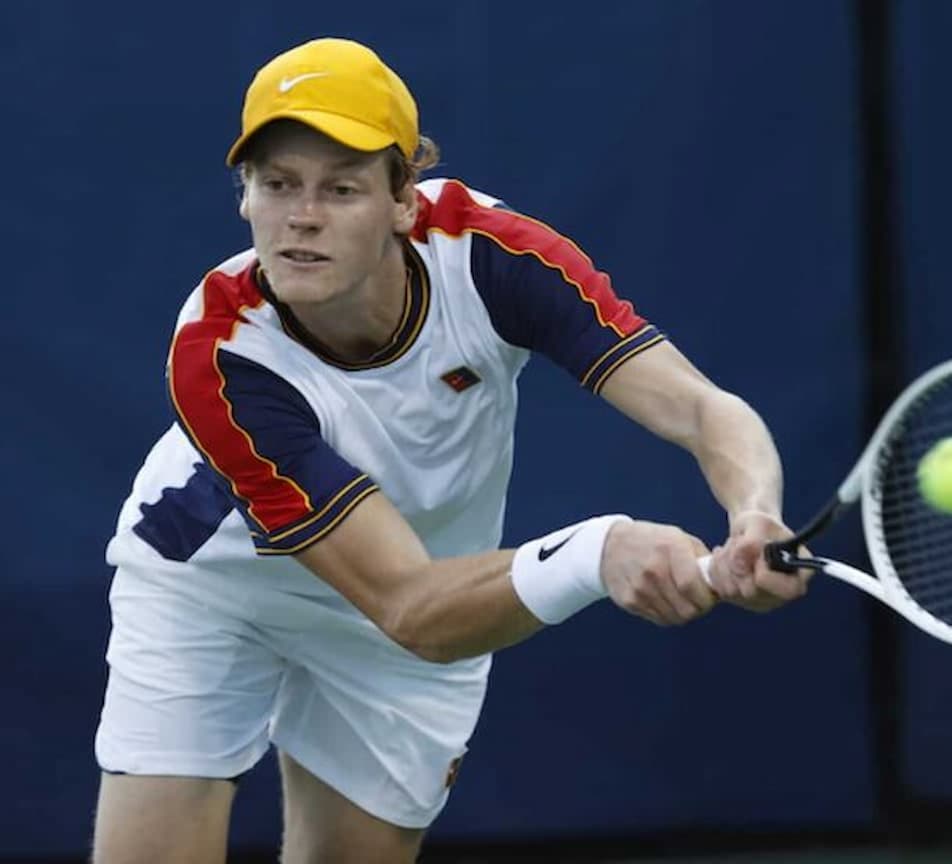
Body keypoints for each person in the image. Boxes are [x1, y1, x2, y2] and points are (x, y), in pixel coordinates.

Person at [92, 37, 810, 864]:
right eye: (277, 184)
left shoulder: (493, 257)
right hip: (215, 590)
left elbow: (700, 409)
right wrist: (598, 551)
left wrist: (755, 516)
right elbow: (409, 609)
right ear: (245, 198)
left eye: (342, 188)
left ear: (404, 201)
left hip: (432, 592)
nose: (303, 216)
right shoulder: (220, 354)